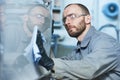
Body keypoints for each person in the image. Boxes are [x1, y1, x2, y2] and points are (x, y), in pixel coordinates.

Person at [34, 3, 120, 80]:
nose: (67, 22)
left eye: (72, 16)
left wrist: (49, 63)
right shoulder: (79, 48)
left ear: (88, 19)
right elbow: (59, 66)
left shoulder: (105, 42)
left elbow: (89, 69)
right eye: (64, 19)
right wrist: (47, 37)